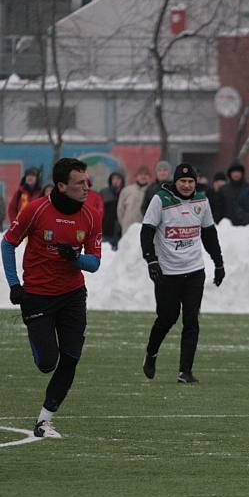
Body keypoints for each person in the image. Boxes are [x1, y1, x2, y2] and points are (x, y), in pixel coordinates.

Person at [1, 157, 102, 439]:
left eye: (87, 181)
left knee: (70, 358)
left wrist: (76, 258)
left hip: (72, 295)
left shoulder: (92, 215)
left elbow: (94, 264)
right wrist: (14, 284)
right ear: (61, 185)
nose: (87, 187)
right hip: (37, 296)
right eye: (80, 183)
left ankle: (45, 421)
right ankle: (38, 339)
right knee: (48, 362)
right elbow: (7, 243)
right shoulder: (35, 210)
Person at [140, 163, 224, 384]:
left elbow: (209, 234)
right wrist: (151, 260)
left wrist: (219, 263)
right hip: (167, 273)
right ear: (175, 182)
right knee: (167, 318)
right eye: (182, 181)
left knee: (191, 320)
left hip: (194, 271)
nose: (186, 185)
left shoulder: (202, 201)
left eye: (190, 182)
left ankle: (185, 371)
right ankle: (151, 352)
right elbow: (146, 231)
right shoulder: (160, 199)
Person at [117, 165, 151, 237]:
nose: (143, 177)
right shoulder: (127, 190)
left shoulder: (151, 191)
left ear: (149, 177)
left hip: (143, 229)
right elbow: (120, 210)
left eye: (146, 175)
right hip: (127, 228)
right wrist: (124, 223)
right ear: (136, 176)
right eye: (141, 174)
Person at [100, 172, 125, 249]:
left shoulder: (125, 192)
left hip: (121, 232)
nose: (115, 181)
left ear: (122, 181)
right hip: (106, 231)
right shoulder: (103, 193)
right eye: (113, 179)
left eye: (118, 179)